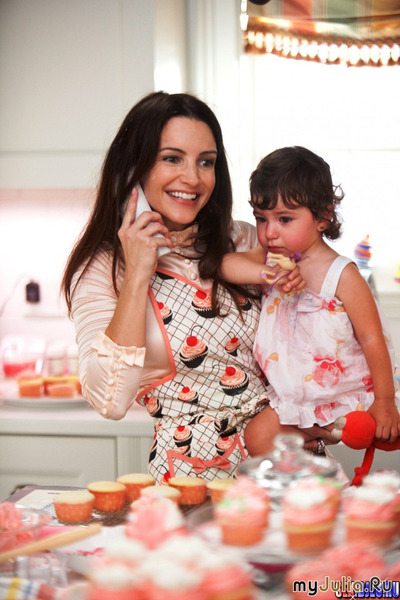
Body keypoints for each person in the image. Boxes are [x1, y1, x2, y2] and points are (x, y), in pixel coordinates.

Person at [61, 92, 322, 484]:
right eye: (172, 158)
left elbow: (320, 320)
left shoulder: (245, 240)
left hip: (285, 461)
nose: (193, 178)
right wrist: (137, 274)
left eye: (206, 162)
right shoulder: (104, 269)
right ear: (134, 167)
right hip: (193, 476)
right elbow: (109, 401)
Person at [221, 146, 400, 457]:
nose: (269, 232)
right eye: (261, 219)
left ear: (323, 216)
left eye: (284, 219)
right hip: (292, 397)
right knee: (258, 437)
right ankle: (315, 476)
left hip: (338, 393)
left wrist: (385, 402)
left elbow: (372, 338)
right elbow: (223, 265)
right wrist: (265, 273)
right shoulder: (273, 259)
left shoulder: (341, 274)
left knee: (365, 433)